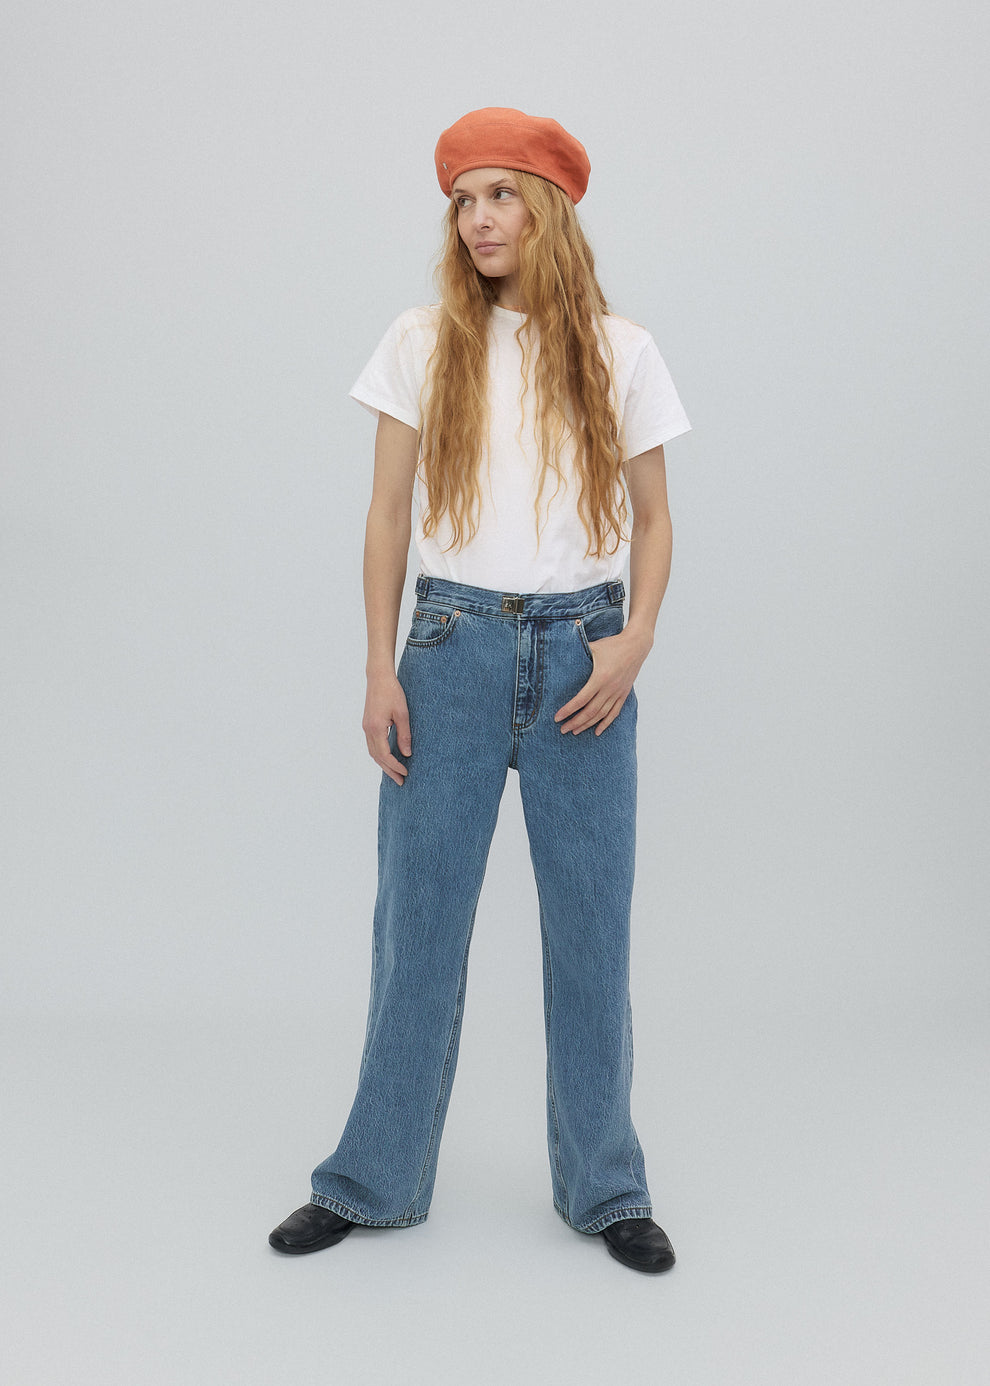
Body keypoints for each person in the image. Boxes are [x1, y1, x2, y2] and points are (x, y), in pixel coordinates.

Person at [269, 107, 691, 1273]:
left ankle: (608, 1188)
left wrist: (635, 639)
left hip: (581, 661)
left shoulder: (621, 351)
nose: (478, 219)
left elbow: (653, 520)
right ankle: (372, 1178)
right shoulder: (421, 341)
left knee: (591, 933)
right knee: (417, 929)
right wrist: (376, 665)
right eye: (463, 200)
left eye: (501, 195)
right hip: (447, 651)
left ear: (549, 209)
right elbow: (387, 517)